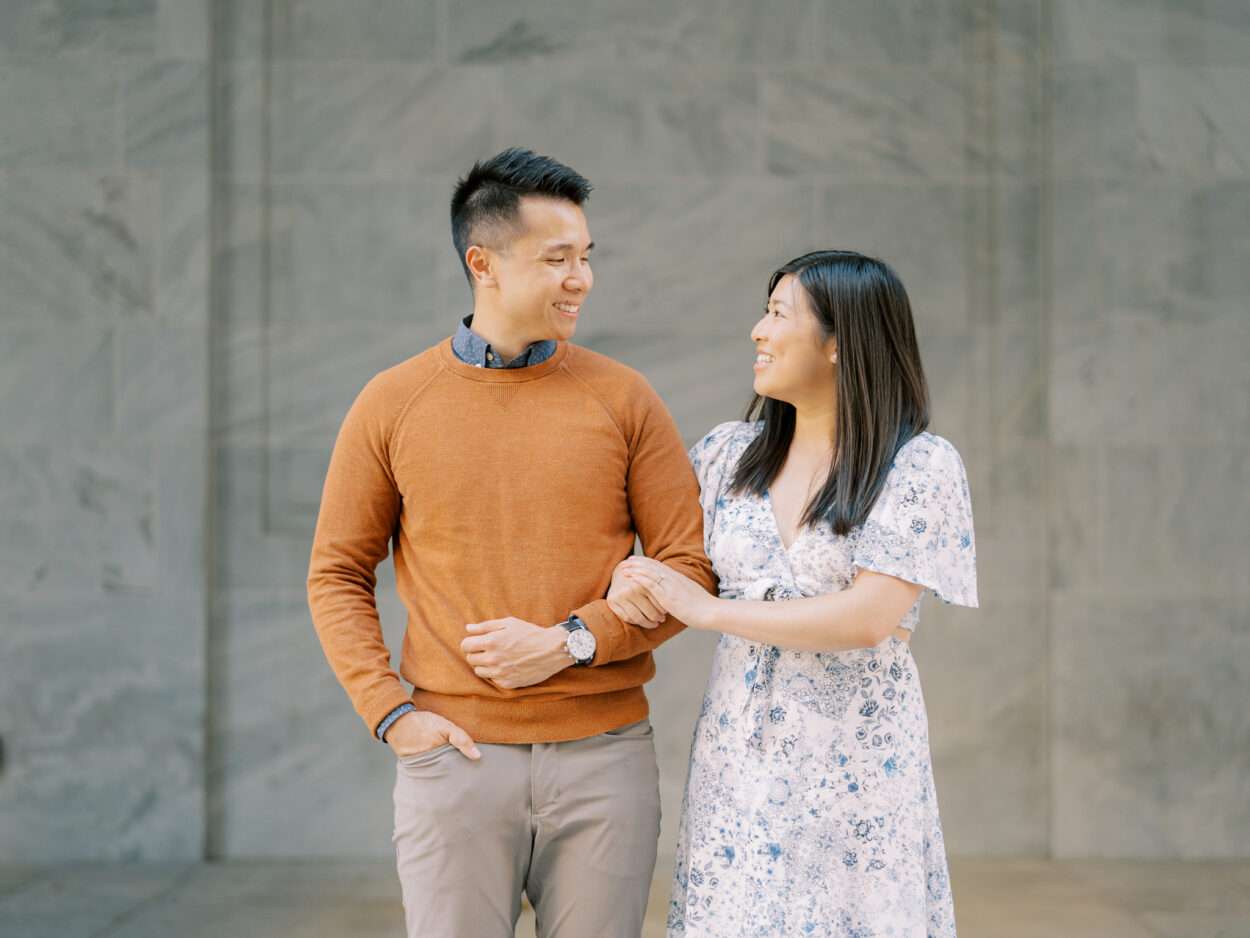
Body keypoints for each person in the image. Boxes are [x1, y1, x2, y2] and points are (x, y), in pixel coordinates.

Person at [306, 147, 714, 938]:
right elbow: (337, 572)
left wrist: (571, 642)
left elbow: (688, 570)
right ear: (482, 263)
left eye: (586, 257)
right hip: (454, 758)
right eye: (557, 259)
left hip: (606, 759)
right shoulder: (392, 403)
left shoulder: (625, 398)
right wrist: (391, 714)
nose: (581, 278)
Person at [612, 250, 978, 937]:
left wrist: (710, 611)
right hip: (738, 765)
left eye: (779, 313)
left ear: (840, 341)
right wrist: (624, 575)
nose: (758, 329)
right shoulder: (727, 457)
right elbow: (663, 561)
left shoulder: (919, 465)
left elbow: (871, 617)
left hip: (858, 773)